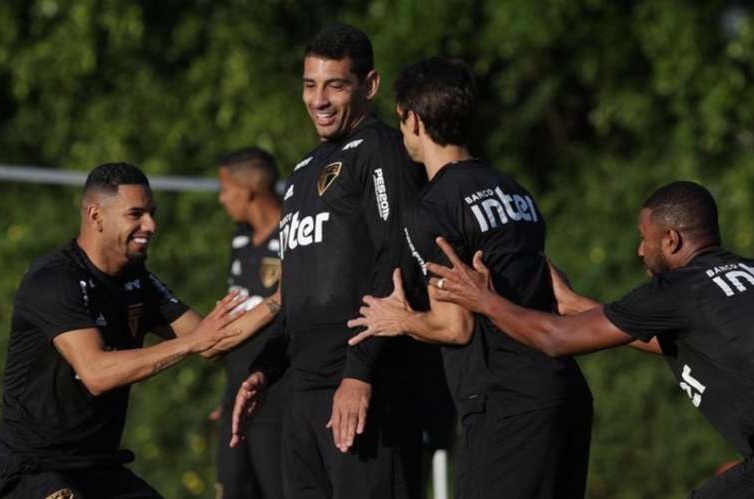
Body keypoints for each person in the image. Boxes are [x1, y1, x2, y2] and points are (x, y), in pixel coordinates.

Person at [347, 57, 592, 499]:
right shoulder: (514, 189)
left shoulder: (430, 209)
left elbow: (456, 328)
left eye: (402, 120)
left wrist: (399, 319)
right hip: (565, 391)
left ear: (415, 121)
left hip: (506, 402)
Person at [425, 180, 754, 498]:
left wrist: (483, 299)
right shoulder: (753, 274)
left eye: (644, 237)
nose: (639, 251)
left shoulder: (677, 290)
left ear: (671, 240)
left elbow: (553, 338)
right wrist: (576, 306)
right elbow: (676, 343)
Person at [0, 163, 279, 499]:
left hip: (99, 469)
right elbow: (96, 372)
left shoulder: (137, 280)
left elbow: (213, 341)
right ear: (96, 216)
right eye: (136, 214)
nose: (151, 225)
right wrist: (191, 343)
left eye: (151, 213)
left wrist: (283, 297)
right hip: (34, 473)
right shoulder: (55, 280)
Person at [231, 24, 426, 499]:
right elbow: (298, 290)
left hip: (361, 390)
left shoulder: (378, 149)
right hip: (302, 394)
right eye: (310, 84)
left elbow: (395, 258)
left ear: (370, 86)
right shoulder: (301, 172)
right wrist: (265, 368)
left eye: (336, 85)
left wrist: (359, 373)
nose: (319, 99)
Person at [213, 148, 288, 499]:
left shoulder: (295, 232)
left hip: (276, 395)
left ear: (248, 189)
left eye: (225, 188)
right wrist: (228, 395)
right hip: (235, 398)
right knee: (232, 487)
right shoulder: (240, 237)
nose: (221, 198)